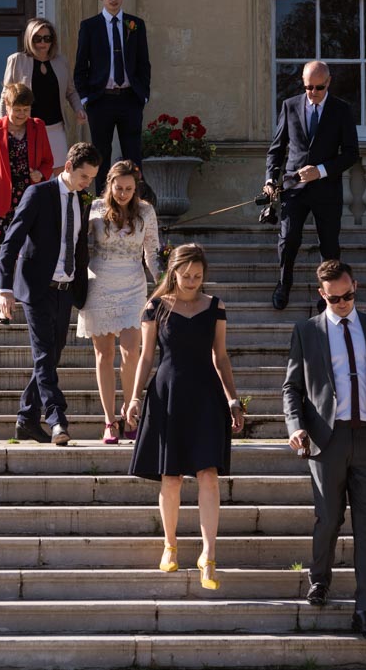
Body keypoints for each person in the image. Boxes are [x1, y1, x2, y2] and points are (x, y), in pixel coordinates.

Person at [281, 259, 366, 640]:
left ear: (356, 287)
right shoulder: (307, 331)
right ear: (322, 295)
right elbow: (291, 388)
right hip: (326, 440)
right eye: (335, 298)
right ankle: (320, 579)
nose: (344, 302)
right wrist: (295, 426)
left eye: (349, 295)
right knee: (328, 518)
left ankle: (365, 611)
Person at [124, 244, 244, 591]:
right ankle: (170, 544)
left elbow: (220, 357)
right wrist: (134, 397)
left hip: (206, 395)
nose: (191, 281)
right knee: (171, 476)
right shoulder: (155, 307)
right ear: (173, 272)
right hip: (168, 394)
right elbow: (146, 357)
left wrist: (233, 399)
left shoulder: (215, 307)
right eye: (186, 275)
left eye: (198, 276)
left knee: (208, 474)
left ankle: (209, 555)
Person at [0, 142, 102, 446]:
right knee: (44, 354)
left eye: (91, 178)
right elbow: (11, 241)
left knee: (50, 358)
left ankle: (27, 419)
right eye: (83, 176)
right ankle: (57, 419)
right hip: (37, 288)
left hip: (66, 288)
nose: (87, 184)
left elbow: (80, 246)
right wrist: (4, 288)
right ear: (68, 167)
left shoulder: (82, 200)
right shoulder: (38, 194)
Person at [76, 160, 160, 444]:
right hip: (100, 282)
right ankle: (109, 420)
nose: (123, 193)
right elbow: (76, 242)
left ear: (136, 188)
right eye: (119, 187)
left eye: (129, 188)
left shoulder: (146, 211)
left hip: (133, 285)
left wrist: (164, 284)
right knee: (104, 355)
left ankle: (131, 412)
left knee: (131, 352)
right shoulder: (96, 208)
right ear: (109, 185)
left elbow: (152, 252)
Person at [264, 60, 359, 311]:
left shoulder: (341, 110)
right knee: (288, 239)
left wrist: (321, 171)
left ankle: (329, 294)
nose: (313, 93)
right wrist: (270, 180)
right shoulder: (290, 106)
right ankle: (283, 285)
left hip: (327, 189)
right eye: (308, 87)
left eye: (319, 87)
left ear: (328, 83)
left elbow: (351, 154)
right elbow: (276, 149)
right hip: (293, 188)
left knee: (329, 245)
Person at [73, 0, 151, 194]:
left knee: (133, 154)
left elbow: (143, 63)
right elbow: (80, 68)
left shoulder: (135, 25)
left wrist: (142, 94)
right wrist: (87, 98)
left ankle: (134, 201)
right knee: (100, 155)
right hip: (101, 100)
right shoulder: (90, 26)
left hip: (129, 98)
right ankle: (101, 202)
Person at [0, 83, 54, 263]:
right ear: (7, 106)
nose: (22, 114)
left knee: (28, 253)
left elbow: (48, 161)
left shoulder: (38, 126)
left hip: (29, 198)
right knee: (3, 254)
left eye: (26, 109)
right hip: (0, 201)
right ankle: (3, 290)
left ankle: (24, 291)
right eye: (17, 109)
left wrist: (41, 173)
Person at [0, 17, 87, 167]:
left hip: (55, 127)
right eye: (37, 39)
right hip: (26, 127)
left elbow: (71, 91)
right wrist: (1, 122)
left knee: (60, 173)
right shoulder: (17, 60)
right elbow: (6, 94)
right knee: (31, 172)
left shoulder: (61, 61)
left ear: (53, 40)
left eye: (47, 38)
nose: (42, 43)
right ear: (29, 39)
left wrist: (79, 109)